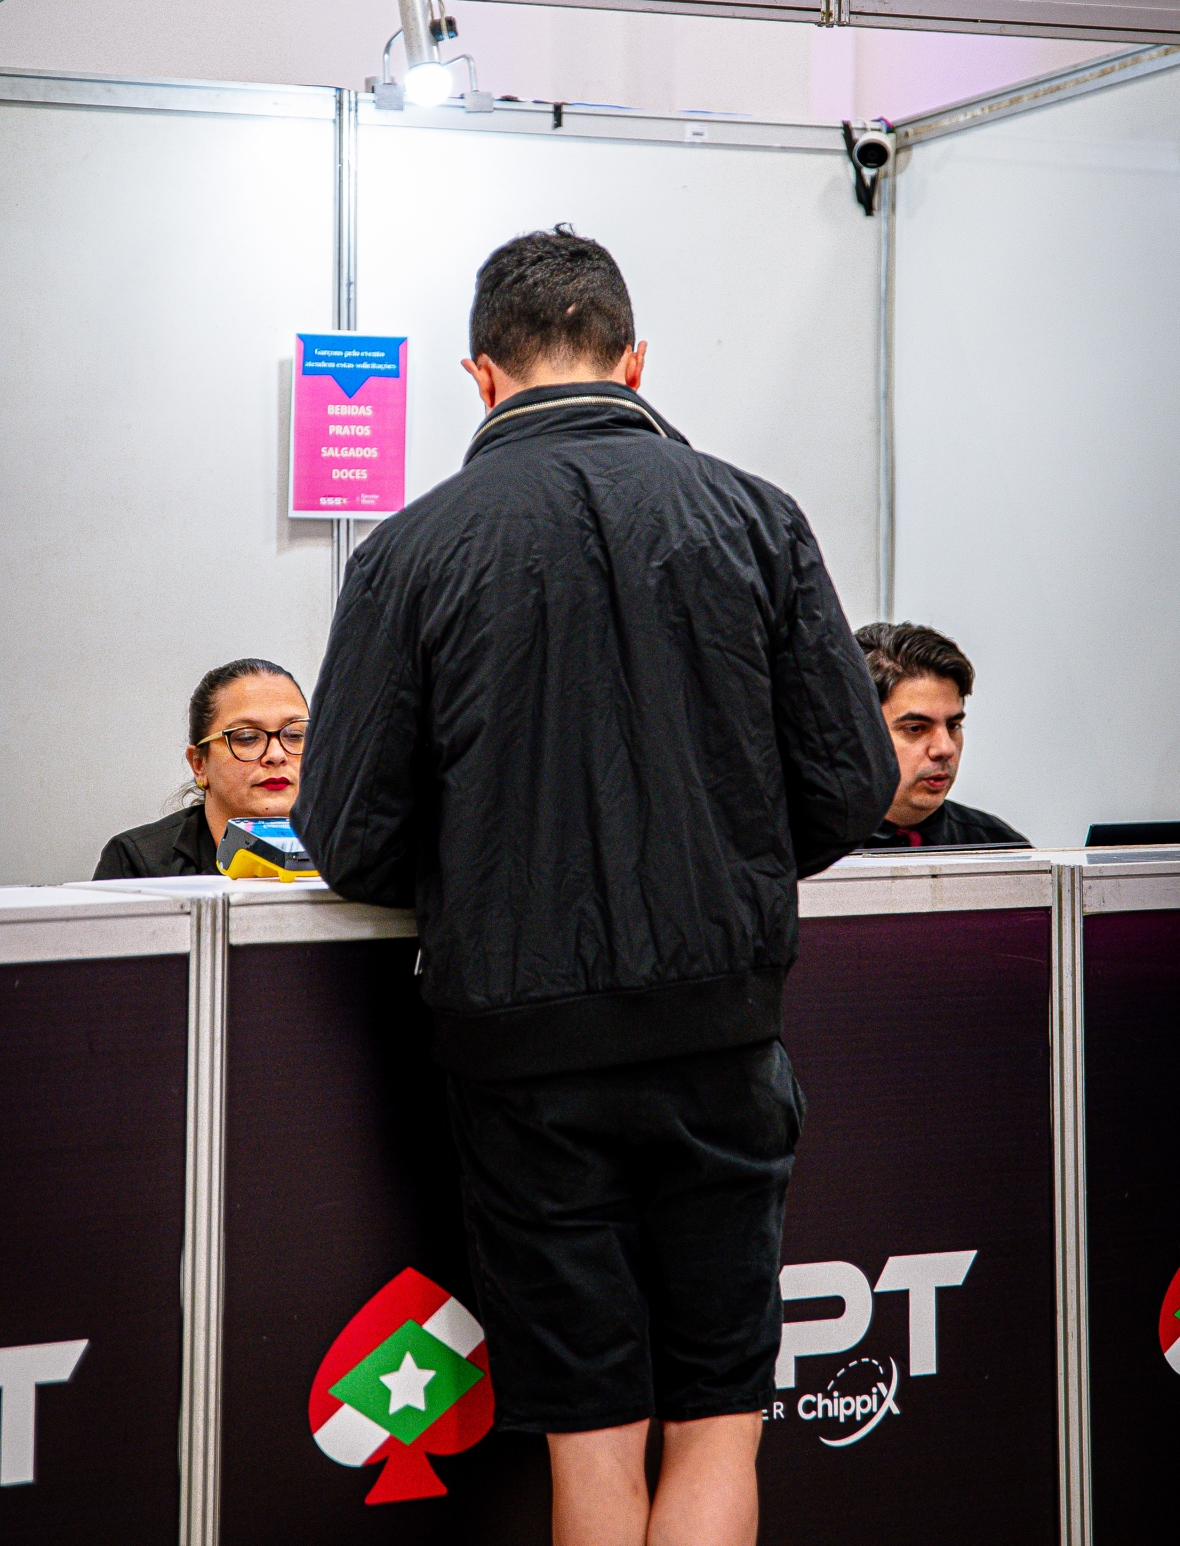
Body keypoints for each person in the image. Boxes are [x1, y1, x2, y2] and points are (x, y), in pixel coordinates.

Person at [293, 227, 898, 1546]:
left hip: (520, 1056)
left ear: (479, 375)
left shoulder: (408, 550)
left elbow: (347, 832)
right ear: (634, 362)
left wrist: (480, 871)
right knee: (720, 1420)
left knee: (593, 1443)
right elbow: (853, 782)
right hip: (722, 1033)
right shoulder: (757, 518)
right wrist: (725, 864)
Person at [93, 657, 309, 879]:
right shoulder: (138, 862)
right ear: (199, 765)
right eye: (247, 737)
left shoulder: (334, 852)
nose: (276, 755)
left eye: (295, 735)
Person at [854, 622, 1029, 849]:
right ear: (856, 733)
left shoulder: (996, 846)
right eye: (915, 728)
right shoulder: (810, 851)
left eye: (953, 726)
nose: (945, 748)